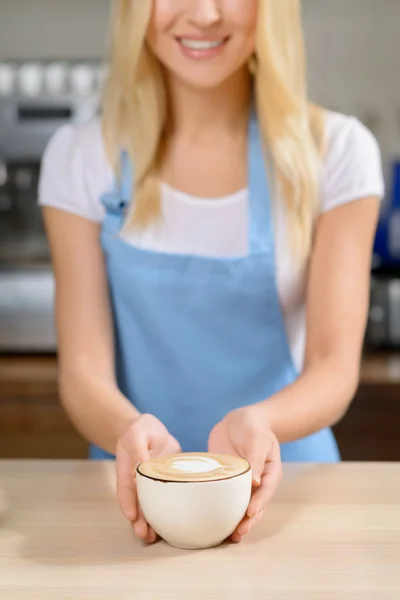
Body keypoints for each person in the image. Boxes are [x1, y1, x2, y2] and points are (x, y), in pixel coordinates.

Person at [39, 0, 384, 544]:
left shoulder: (336, 153)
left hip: (290, 496)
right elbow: (82, 372)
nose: (204, 13)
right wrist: (128, 433)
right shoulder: (80, 156)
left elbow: (333, 367)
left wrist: (264, 423)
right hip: (130, 499)